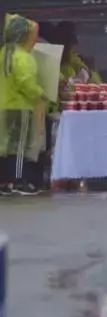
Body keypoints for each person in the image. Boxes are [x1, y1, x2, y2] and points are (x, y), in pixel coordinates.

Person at [0, 14, 47, 196]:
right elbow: (26, 83)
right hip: (20, 107)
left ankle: (4, 182)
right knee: (19, 148)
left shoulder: (3, 53)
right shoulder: (23, 57)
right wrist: (40, 93)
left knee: (4, 147)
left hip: (3, 106)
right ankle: (20, 181)